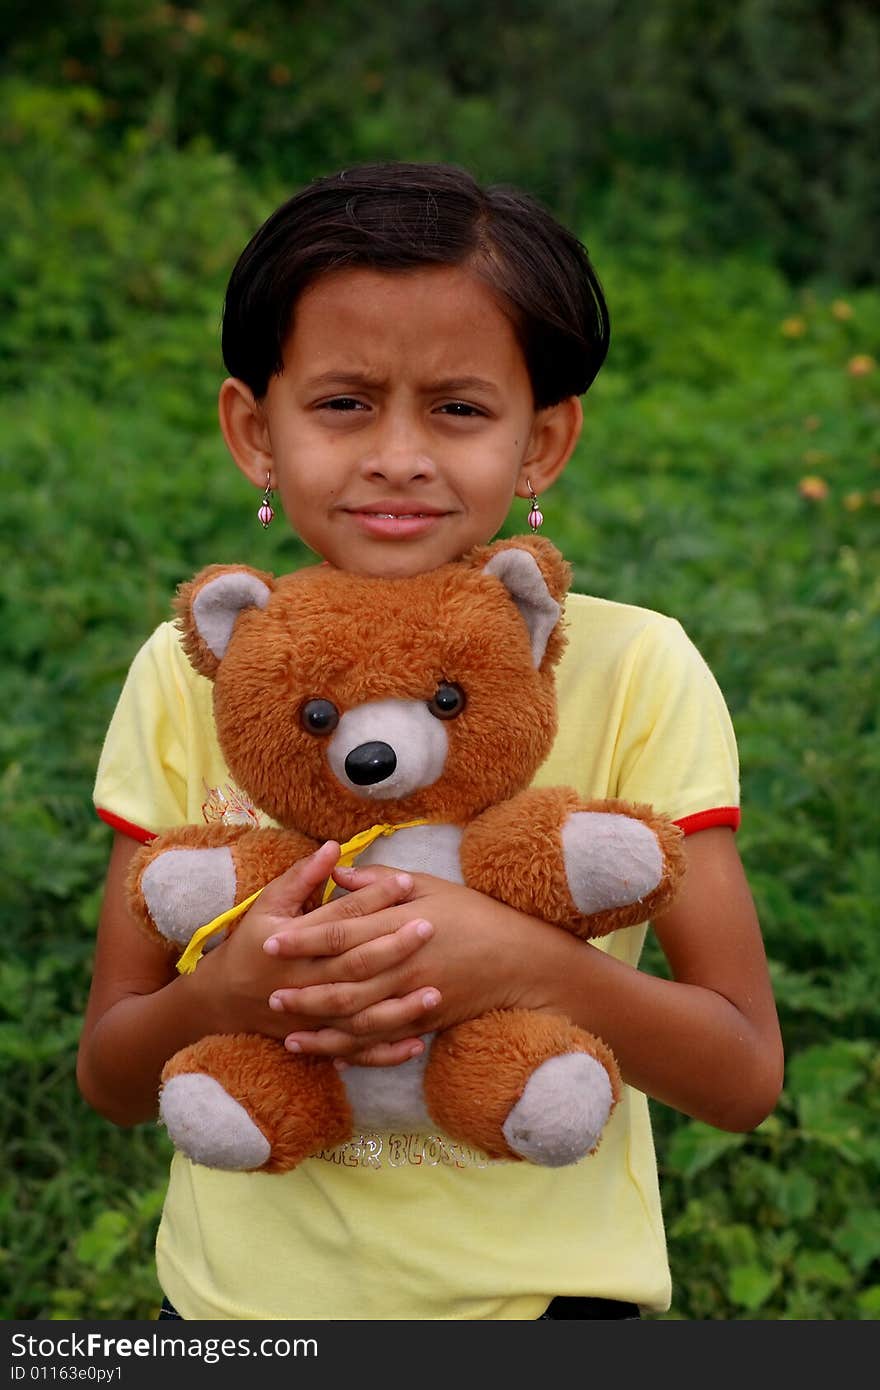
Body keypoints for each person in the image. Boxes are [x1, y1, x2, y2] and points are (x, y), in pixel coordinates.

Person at [77, 161, 784, 1322]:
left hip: (552, 1309)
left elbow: (743, 1073)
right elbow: (111, 1070)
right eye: (344, 401)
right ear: (255, 430)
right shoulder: (190, 669)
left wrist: (526, 964)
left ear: (542, 440)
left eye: (458, 407)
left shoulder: (634, 666)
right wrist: (235, 994)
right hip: (235, 1319)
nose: (398, 453)